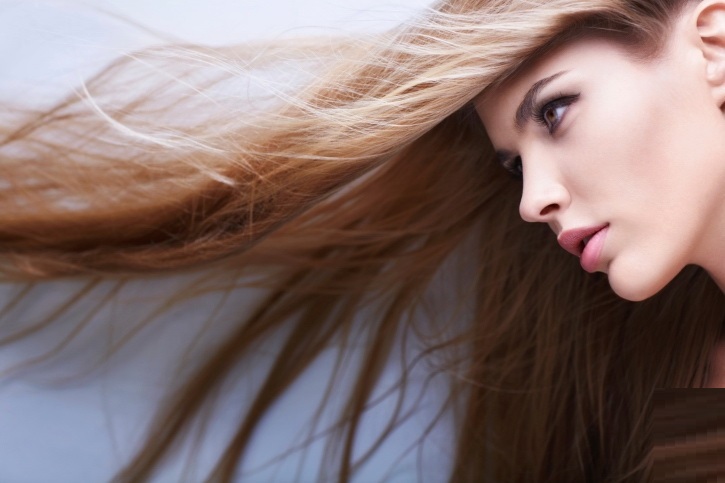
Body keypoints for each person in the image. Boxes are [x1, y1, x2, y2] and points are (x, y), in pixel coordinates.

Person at [1, 0, 724, 481]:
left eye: (554, 112)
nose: (532, 200)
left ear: (714, 44)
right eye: (513, 166)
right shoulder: (692, 390)